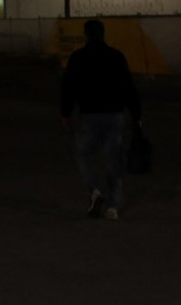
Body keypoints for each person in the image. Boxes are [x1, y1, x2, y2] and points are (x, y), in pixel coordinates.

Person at [59, 19, 141, 220]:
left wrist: (66, 113)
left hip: (89, 116)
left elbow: (68, 87)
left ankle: (95, 190)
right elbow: (128, 88)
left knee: (83, 155)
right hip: (114, 116)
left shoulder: (78, 57)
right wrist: (137, 115)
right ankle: (113, 207)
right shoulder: (116, 57)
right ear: (103, 34)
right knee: (114, 162)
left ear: (86, 35)